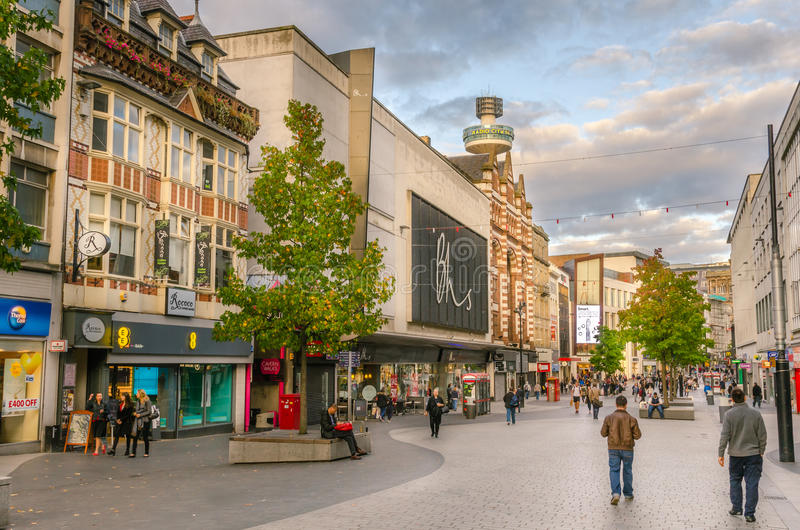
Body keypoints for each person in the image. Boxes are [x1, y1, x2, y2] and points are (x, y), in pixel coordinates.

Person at [719, 388, 767, 523]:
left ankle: (736, 507)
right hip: (753, 454)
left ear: (732, 399)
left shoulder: (729, 415)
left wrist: (720, 453)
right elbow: (762, 434)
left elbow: (725, 436)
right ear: (745, 398)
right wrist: (761, 450)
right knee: (752, 483)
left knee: (735, 480)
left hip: (735, 455)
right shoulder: (755, 414)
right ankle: (750, 513)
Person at [601, 395, 642, 505]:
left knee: (614, 470)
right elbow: (638, 435)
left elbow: (603, 433)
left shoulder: (609, 418)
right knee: (627, 470)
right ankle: (628, 493)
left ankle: (616, 493)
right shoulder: (632, 419)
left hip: (613, 448)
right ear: (626, 405)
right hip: (628, 448)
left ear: (616, 404)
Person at [110, 392, 134, 456]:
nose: (121, 397)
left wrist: (121, 419)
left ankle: (127, 450)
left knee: (128, 436)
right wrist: (117, 419)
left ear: (126, 397)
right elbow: (118, 413)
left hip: (127, 422)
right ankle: (113, 449)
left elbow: (128, 414)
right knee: (117, 435)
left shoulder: (131, 404)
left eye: (123, 396)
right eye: (121, 396)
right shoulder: (120, 404)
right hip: (120, 422)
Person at [130, 389, 152, 458]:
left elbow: (149, 411)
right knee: (135, 437)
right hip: (138, 421)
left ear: (140, 394)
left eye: (137, 393)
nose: (136, 394)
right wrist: (135, 413)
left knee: (145, 437)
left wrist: (140, 415)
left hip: (145, 421)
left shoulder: (147, 401)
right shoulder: (138, 401)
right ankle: (133, 453)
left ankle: (146, 452)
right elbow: (137, 410)